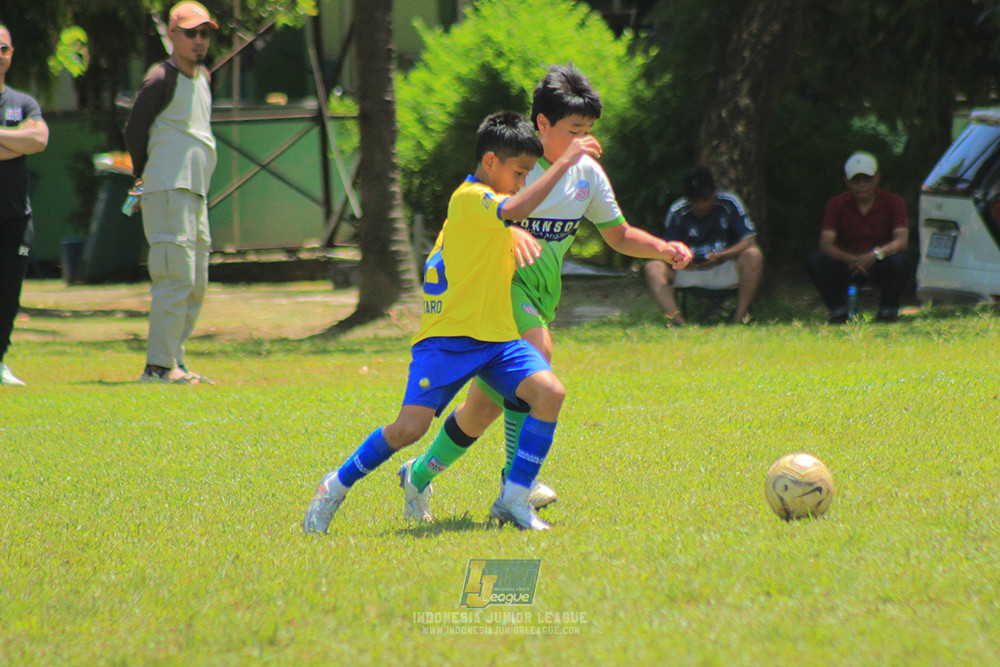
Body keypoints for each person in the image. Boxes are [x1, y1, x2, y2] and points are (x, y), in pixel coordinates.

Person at [397, 64, 692, 521]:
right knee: (540, 353)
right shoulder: (516, 167)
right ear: (542, 125)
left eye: (589, 131)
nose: (585, 141)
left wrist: (662, 249)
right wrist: (507, 233)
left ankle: (417, 475)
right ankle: (516, 486)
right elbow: (475, 215)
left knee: (481, 412)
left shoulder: (587, 175)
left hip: (541, 295)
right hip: (499, 291)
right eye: (575, 131)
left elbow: (618, 234)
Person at [303, 111, 602, 534]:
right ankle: (333, 486)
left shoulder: (494, 208)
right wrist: (566, 162)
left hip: (497, 340)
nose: (521, 181)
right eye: (519, 172)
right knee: (409, 429)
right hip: (448, 341)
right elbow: (511, 207)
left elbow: (507, 215)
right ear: (491, 162)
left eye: (527, 174)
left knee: (549, 392)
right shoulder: (469, 197)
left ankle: (514, 498)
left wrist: (513, 227)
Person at [123, 1, 218, 384]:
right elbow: (134, 130)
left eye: (205, 33)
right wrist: (146, 174)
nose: (199, 40)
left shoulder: (204, 78)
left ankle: (174, 362)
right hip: (166, 188)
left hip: (195, 192)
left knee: (195, 282)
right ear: (173, 35)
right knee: (174, 277)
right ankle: (158, 366)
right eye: (191, 33)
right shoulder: (160, 78)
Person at [644, 166, 763, 326]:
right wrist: (683, 260)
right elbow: (666, 248)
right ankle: (679, 323)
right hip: (688, 271)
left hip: (723, 267)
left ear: (714, 193)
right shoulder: (677, 211)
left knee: (753, 255)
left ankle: (738, 319)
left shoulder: (730, 203)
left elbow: (749, 240)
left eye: (705, 199)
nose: (700, 205)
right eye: (695, 201)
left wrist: (721, 256)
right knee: (653, 267)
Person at [805, 151, 910, 323]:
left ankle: (887, 311)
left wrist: (875, 255)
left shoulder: (893, 202)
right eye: (856, 180)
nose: (862, 185)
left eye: (867, 179)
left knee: (900, 261)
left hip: (879, 263)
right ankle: (838, 311)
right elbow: (826, 243)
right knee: (815, 261)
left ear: (877, 178)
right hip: (847, 264)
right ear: (847, 182)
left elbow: (901, 241)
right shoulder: (837, 204)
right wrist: (850, 259)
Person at [0, 23, 49, 387]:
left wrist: (18, 141)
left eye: (3, 49)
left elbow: (40, 140)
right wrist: (18, 142)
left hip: (16, 215)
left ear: (11, 54)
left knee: (8, 294)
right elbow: (26, 142)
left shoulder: (23, 102)